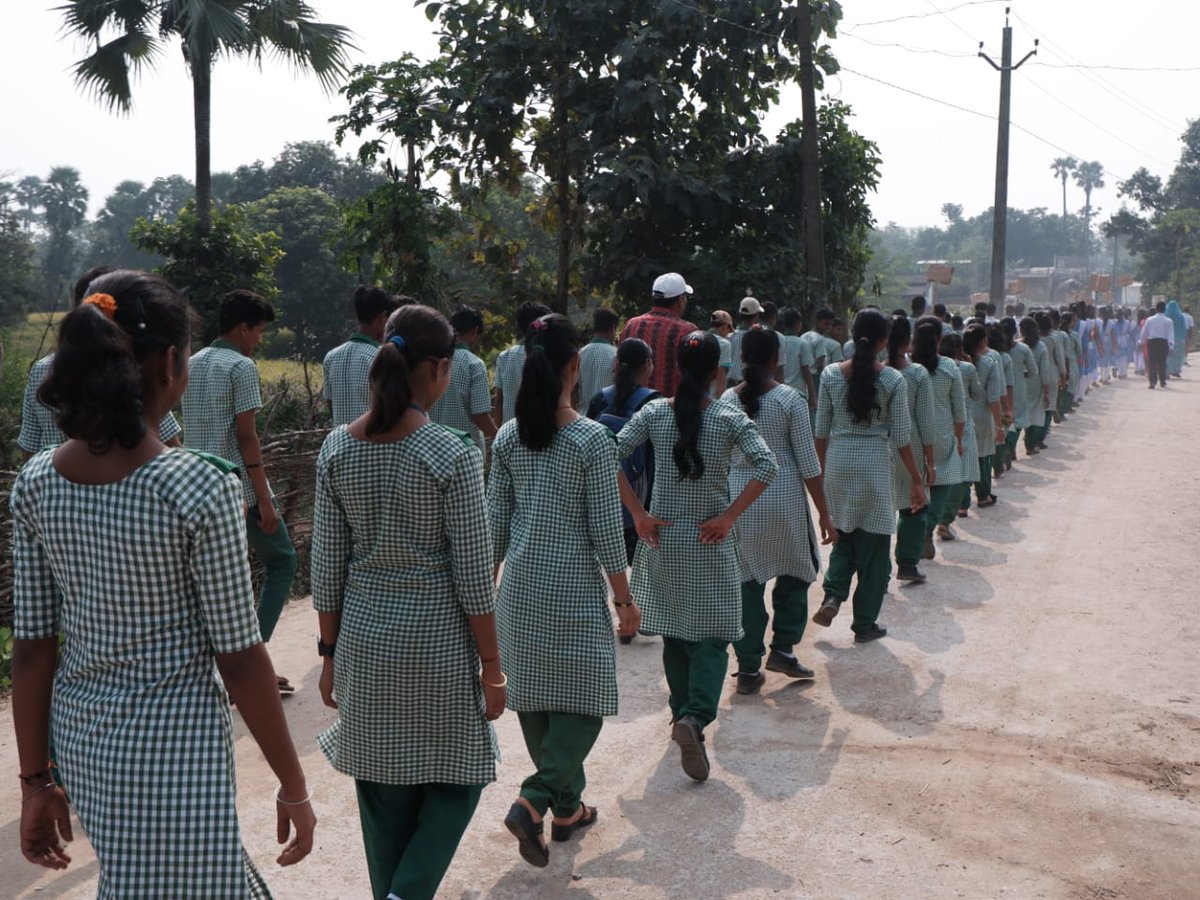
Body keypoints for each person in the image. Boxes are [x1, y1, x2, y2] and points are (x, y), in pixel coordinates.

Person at [12, 270, 314, 896]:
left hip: (84, 743)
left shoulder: (38, 482)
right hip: (177, 750)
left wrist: (36, 781)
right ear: (173, 362)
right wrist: (294, 783)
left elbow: (34, 649)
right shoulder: (198, 486)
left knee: (153, 880)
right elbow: (240, 658)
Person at [311, 304, 504, 900]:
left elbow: (326, 568)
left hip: (366, 643)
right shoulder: (451, 453)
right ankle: (410, 889)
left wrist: (328, 653)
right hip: (438, 644)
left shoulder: (337, 449)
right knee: (459, 776)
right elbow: (474, 575)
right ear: (442, 369)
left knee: (382, 789)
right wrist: (492, 666)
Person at [488, 314, 640, 868]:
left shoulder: (508, 436)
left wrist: (483, 601)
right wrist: (624, 599)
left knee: (536, 699)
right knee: (587, 699)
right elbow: (605, 527)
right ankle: (534, 799)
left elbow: (493, 525)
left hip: (518, 591)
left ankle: (567, 810)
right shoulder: (591, 439)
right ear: (574, 368)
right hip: (572, 587)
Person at [615, 331, 777, 782]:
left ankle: (680, 713)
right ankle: (695, 717)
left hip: (663, 539)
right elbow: (768, 466)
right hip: (709, 540)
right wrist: (727, 517)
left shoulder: (652, 412)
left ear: (677, 369)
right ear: (715, 372)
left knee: (675, 633)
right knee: (713, 634)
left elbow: (609, 454)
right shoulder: (728, 417)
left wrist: (639, 514)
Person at [183, 289, 298, 691]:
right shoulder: (241, 367)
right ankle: (253, 665)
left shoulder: (191, 363)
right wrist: (265, 500)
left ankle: (220, 669)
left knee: (210, 582)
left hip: (194, 484)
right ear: (243, 328)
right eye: (260, 331)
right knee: (282, 561)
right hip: (237, 488)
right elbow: (247, 438)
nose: (260, 339)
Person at [721, 329, 835, 694]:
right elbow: (809, 463)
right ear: (776, 358)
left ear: (740, 358)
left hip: (740, 498)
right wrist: (823, 512)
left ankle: (749, 667)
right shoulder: (791, 399)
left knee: (746, 583)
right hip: (783, 494)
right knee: (797, 571)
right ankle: (783, 648)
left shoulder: (726, 399)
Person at [812, 310, 925, 641]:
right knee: (875, 551)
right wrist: (917, 480)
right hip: (875, 466)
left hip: (838, 466)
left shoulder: (831, 375)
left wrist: (817, 476)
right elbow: (902, 438)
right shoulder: (893, 380)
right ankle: (863, 624)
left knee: (844, 536)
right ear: (884, 342)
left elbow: (821, 432)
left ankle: (833, 593)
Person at [18, 264, 183, 458]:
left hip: (56, 482)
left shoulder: (43, 369)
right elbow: (169, 444)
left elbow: (29, 446)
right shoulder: (137, 368)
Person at [586, 338, 660, 570]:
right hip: (640, 505)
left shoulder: (600, 399)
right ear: (648, 364)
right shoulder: (654, 402)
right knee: (639, 574)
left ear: (616, 364)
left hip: (601, 501)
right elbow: (658, 460)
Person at [887, 315, 936, 584]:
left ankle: (878, 571)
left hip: (881, 448)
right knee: (915, 507)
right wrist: (931, 462)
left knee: (881, 512)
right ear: (909, 341)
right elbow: (926, 422)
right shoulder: (917, 374)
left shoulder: (874, 371)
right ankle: (907, 563)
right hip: (912, 447)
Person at [911, 316, 965, 558]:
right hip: (942, 435)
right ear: (939, 339)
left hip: (909, 437)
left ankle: (911, 538)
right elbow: (959, 410)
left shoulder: (904, 368)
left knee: (912, 487)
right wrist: (960, 439)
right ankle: (928, 527)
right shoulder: (950, 368)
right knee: (943, 483)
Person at [322, 285, 399, 426]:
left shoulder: (331, 357)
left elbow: (331, 405)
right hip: (373, 445)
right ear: (382, 317)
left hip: (339, 443)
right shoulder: (381, 358)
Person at [429, 306, 497, 452]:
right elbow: (479, 414)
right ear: (474, 331)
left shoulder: (431, 359)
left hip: (432, 446)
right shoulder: (474, 363)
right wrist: (498, 435)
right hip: (465, 448)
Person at [620, 272, 696, 396]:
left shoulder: (631, 325)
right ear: (680, 300)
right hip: (670, 410)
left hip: (630, 406)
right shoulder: (687, 331)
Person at [966, 324, 1005, 509]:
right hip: (982, 415)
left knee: (964, 455)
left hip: (962, 415)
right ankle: (982, 496)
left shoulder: (957, 363)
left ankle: (961, 502)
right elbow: (993, 398)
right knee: (983, 454)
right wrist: (999, 425)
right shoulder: (989, 363)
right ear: (983, 341)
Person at [494, 302, 552, 424]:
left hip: (510, 431)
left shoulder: (504, 356)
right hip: (544, 430)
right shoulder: (550, 356)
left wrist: (497, 434)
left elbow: (499, 400)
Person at [1020, 317, 1055, 455]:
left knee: (1022, 411)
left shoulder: (1018, 346)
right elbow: (1044, 371)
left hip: (1022, 383)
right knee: (1035, 413)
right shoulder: (1041, 347)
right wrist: (1046, 391)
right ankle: (1031, 445)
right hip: (1036, 383)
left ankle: (1014, 446)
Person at [575, 308, 620, 413]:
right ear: (612, 328)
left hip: (582, 416)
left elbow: (574, 391)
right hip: (606, 418)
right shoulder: (616, 355)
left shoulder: (580, 353)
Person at [779, 307, 818, 409]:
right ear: (798, 324)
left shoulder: (778, 341)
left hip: (779, 391)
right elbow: (806, 370)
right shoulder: (802, 343)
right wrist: (813, 394)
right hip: (798, 392)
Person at [727, 296, 764, 385]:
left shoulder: (729, 336)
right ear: (756, 316)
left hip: (729, 385)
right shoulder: (758, 337)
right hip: (749, 384)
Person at [1141, 301, 1174, 389]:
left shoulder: (1149, 320)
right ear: (1164, 309)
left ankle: (1152, 382)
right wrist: (1171, 346)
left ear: (1156, 309)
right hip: (1163, 343)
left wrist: (1141, 341)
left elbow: (1144, 332)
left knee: (1152, 362)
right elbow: (1170, 334)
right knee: (1162, 362)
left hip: (1152, 343)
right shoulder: (1169, 321)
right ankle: (1162, 381)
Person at [708, 309, 735, 395]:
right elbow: (720, 375)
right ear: (724, 327)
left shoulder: (699, 337)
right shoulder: (724, 344)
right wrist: (722, 399)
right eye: (728, 330)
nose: (727, 334)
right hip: (712, 396)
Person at [1166, 300, 1188, 378]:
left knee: (1168, 356)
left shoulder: (1166, 315)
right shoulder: (1180, 316)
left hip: (1168, 339)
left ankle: (1166, 371)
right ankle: (1176, 370)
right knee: (1178, 356)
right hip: (1179, 338)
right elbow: (1184, 328)